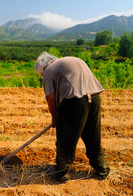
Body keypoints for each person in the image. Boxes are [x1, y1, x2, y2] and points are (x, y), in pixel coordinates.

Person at [35, 52, 110, 182]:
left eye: (41, 74)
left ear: (43, 67)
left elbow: (51, 98)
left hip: (75, 102)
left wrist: (55, 117)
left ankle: (62, 173)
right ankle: (102, 169)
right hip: (95, 97)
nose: (43, 76)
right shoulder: (69, 61)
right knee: (92, 135)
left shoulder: (48, 71)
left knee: (66, 138)